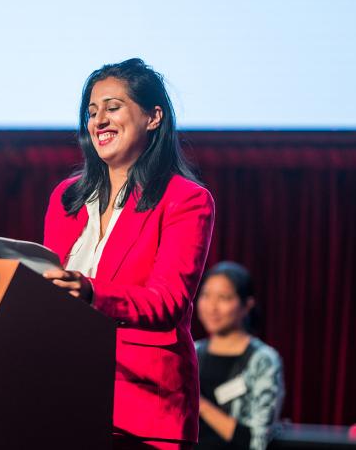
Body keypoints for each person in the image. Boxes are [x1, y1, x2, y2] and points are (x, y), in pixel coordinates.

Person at [42, 58, 215, 447]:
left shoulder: (185, 200)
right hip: (61, 395)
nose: (99, 120)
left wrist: (90, 293)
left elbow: (167, 301)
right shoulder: (67, 198)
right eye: (91, 111)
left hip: (143, 408)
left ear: (153, 117)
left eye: (113, 107)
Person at [195, 261, 284, 450]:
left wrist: (199, 404)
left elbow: (258, 440)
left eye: (224, 298)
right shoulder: (192, 352)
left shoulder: (262, 360)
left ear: (247, 305)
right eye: (206, 295)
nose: (212, 307)